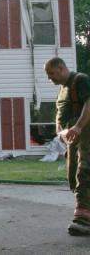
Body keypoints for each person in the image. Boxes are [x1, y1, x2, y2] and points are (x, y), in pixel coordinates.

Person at [45, 57, 90, 235]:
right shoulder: (62, 89)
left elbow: (89, 103)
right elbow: (61, 113)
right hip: (73, 138)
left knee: (85, 170)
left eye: (51, 74)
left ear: (61, 68)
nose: (50, 78)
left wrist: (78, 126)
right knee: (73, 176)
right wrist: (60, 131)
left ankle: (82, 221)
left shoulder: (80, 80)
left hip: (86, 132)